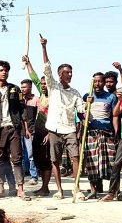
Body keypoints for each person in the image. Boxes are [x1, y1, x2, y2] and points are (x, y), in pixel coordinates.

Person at [40, 34, 87, 200]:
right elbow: (47, 67)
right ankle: (59, 190)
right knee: (55, 160)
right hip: (54, 128)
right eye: (66, 72)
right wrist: (44, 47)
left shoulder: (75, 93)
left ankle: (77, 189)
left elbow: (81, 109)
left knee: (75, 157)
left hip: (70, 129)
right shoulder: (53, 87)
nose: (69, 75)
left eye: (71, 73)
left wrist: (87, 105)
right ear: (60, 74)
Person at [0, 59, 29, 200]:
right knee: (0, 159)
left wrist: (26, 129)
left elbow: (22, 109)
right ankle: (1, 188)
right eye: (1, 70)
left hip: (13, 128)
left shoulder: (15, 89)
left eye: (6, 70)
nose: (4, 72)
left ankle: (20, 189)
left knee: (17, 158)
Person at [83, 72, 118, 198]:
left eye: (100, 81)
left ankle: (113, 191)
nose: (97, 84)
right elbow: (81, 115)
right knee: (92, 163)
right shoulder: (87, 96)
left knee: (112, 162)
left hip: (107, 133)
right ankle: (93, 191)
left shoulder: (111, 97)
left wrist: (116, 132)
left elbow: (114, 116)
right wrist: (87, 104)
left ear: (103, 83)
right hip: (91, 133)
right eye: (95, 81)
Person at [23, 57, 53, 197]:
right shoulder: (41, 95)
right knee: (38, 159)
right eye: (41, 84)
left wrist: (49, 133)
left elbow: (56, 117)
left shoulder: (54, 98)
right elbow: (33, 77)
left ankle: (45, 188)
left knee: (46, 161)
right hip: (38, 133)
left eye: (45, 83)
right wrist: (28, 63)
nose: (43, 86)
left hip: (47, 134)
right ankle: (43, 186)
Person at [20, 79, 39, 186]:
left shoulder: (36, 100)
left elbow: (39, 115)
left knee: (31, 154)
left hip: (30, 130)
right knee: (20, 154)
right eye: (21, 87)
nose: (22, 89)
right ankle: (22, 174)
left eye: (25, 87)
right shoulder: (19, 100)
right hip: (19, 130)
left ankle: (34, 176)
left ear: (30, 87)